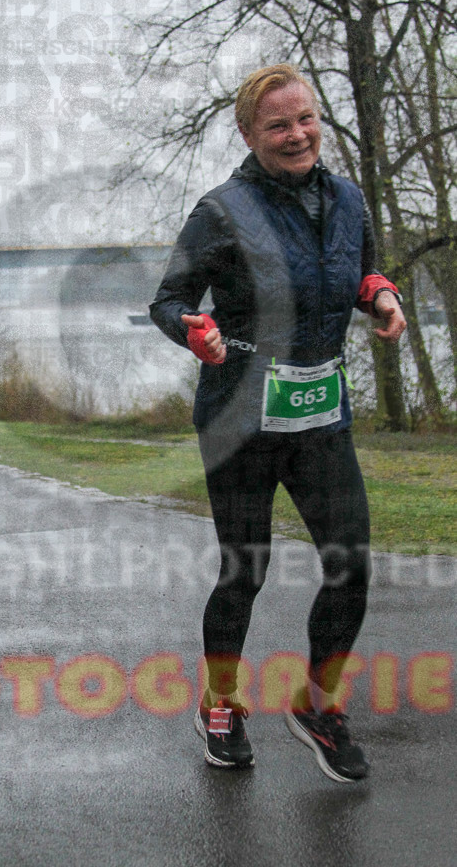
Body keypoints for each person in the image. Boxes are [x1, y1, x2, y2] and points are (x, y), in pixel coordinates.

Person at [150, 64, 406, 784]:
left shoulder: (347, 198)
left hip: (319, 410)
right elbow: (167, 299)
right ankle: (221, 704)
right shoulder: (220, 211)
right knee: (245, 569)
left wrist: (380, 296)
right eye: (277, 126)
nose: (296, 135)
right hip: (241, 414)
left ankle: (316, 705)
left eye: (305, 120)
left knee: (351, 564)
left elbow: (357, 271)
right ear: (247, 134)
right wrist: (192, 332)